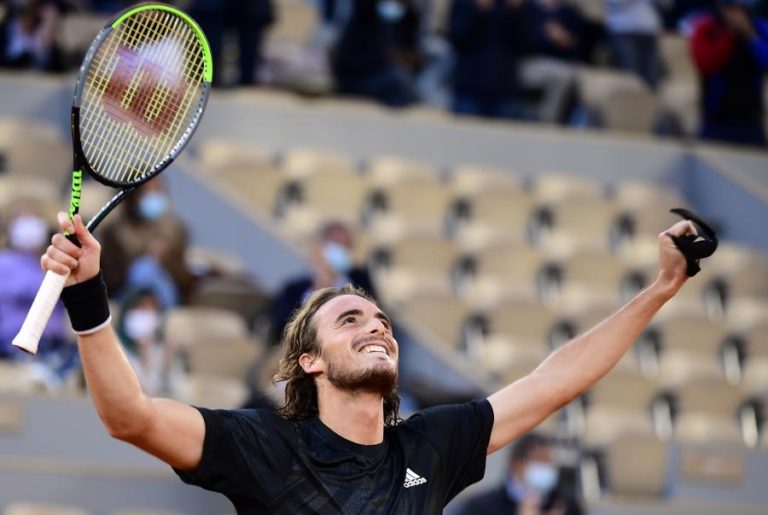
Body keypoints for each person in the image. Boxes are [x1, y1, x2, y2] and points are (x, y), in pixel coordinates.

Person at [42, 209, 695, 513]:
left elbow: (557, 379)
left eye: (382, 320)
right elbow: (129, 415)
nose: (376, 328)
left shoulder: (431, 445)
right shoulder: (260, 442)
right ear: (310, 361)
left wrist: (660, 288)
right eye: (349, 320)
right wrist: (88, 295)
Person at [268, 221, 377, 346]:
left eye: (346, 246)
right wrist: (321, 284)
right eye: (336, 244)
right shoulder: (293, 289)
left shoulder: (361, 281)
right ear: (320, 247)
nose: (341, 251)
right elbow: (280, 331)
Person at [99, 178, 195, 307]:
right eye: (147, 191)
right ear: (131, 195)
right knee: (143, 269)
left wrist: (163, 260)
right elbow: (109, 279)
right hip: (123, 298)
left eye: (158, 190)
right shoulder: (111, 231)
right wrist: (144, 258)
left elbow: (182, 278)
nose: (153, 196)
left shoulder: (177, 230)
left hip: (167, 302)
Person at [689, 0, 768, 146]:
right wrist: (729, 36)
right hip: (716, 120)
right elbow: (706, 64)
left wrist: (750, 37)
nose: (733, 14)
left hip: (751, 120)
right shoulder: (706, 27)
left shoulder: (760, 28)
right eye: (728, 8)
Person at [457, 432, 584, 515]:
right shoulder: (480, 507)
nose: (546, 468)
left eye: (549, 462)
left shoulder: (566, 505)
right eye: (539, 460)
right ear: (516, 464)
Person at [447, 0, 531, 119]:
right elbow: (456, 39)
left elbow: (527, 46)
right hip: (470, 88)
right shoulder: (465, 3)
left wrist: (517, 13)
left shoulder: (516, 6)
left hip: (505, 89)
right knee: (463, 135)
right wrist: (477, 11)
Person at [331, 0, 422, 107]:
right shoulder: (366, 14)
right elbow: (349, 61)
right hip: (357, 79)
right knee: (399, 80)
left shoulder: (409, 18)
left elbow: (411, 55)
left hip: (389, 78)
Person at [602, 0, 663, 89]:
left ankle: (650, 101)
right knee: (631, 75)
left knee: (651, 75)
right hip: (623, 29)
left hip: (649, 29)